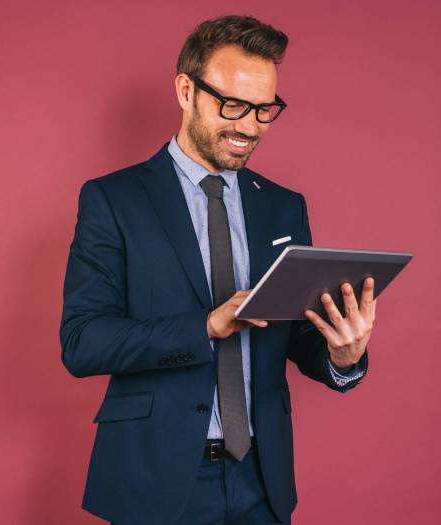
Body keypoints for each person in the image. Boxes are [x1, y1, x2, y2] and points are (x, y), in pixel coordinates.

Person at [59, 14, 376, 525]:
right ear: (186, 90)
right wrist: (206, 326)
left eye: (265, 109)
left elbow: (297, 334)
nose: (250, 126)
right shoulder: (113, 200)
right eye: (233, 105)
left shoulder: (283, 207)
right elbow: (82, 342)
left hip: (262, 480)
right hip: (155, 481)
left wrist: (344, 354)